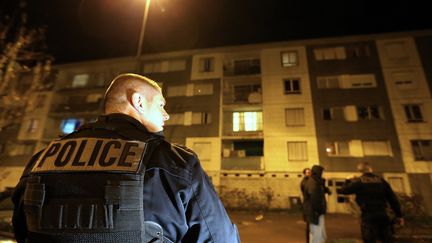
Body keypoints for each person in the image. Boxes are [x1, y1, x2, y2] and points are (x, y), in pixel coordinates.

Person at [12, 73, 240, 243]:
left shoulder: (43, 158)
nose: (166, 114)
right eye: (160, 105)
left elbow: (21, 230)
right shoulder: (173, 161)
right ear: (138, 102)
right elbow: (219, 238)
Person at [337, 162, 404, 243]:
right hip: (382, 215)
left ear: (360, 171)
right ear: (370, 169)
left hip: (368, 216)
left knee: (369, 239)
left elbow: (343, 190)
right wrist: (399, 215)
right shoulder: (381, 181)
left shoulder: (359, 182)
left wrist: (347, 180)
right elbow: (393, 199)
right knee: (386, 239)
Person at [303, 165, 327, 243]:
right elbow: (314, 198)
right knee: (316, 233)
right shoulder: (313, 182)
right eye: (321, 172)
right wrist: (318, 210)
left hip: (314, 211)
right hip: (314, 212)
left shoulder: (314, 181)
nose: (322, 174)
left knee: (316, 233)